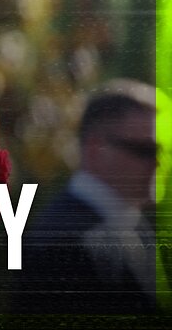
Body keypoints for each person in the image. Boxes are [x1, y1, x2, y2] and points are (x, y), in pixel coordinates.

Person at [17, 79, 160, 314]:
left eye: (160, 150)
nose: (157, 163)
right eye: (144, 150)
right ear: (96, 148)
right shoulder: (61, 243)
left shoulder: (134, 227)